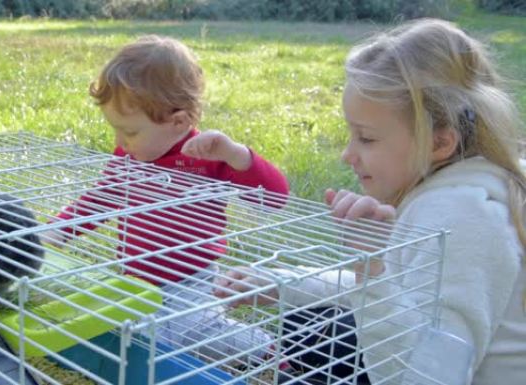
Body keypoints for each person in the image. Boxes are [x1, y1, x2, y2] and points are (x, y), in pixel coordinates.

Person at [214, 18, 526, 384]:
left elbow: (427, 377)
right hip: (426, 350)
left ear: (440, 143)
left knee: (308, 354)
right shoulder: (471, 181)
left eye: (367, 138)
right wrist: (282, 284)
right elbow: (401, 291)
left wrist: (371, 271)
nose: (348, 154)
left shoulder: (461, 217)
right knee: (307, 322)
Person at [45, 35, 290, 365]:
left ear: (179, 122)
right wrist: (57, 232)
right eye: (116, 130)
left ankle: (264, 349)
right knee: (122, 332)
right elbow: (100, 199)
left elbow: (275, 198)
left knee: (178, 335)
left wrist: (237, 155)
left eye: (130, 132)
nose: (119, 142)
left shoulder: (209, 155)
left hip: (191, 277)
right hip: (134, 278)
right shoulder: (128, 157)